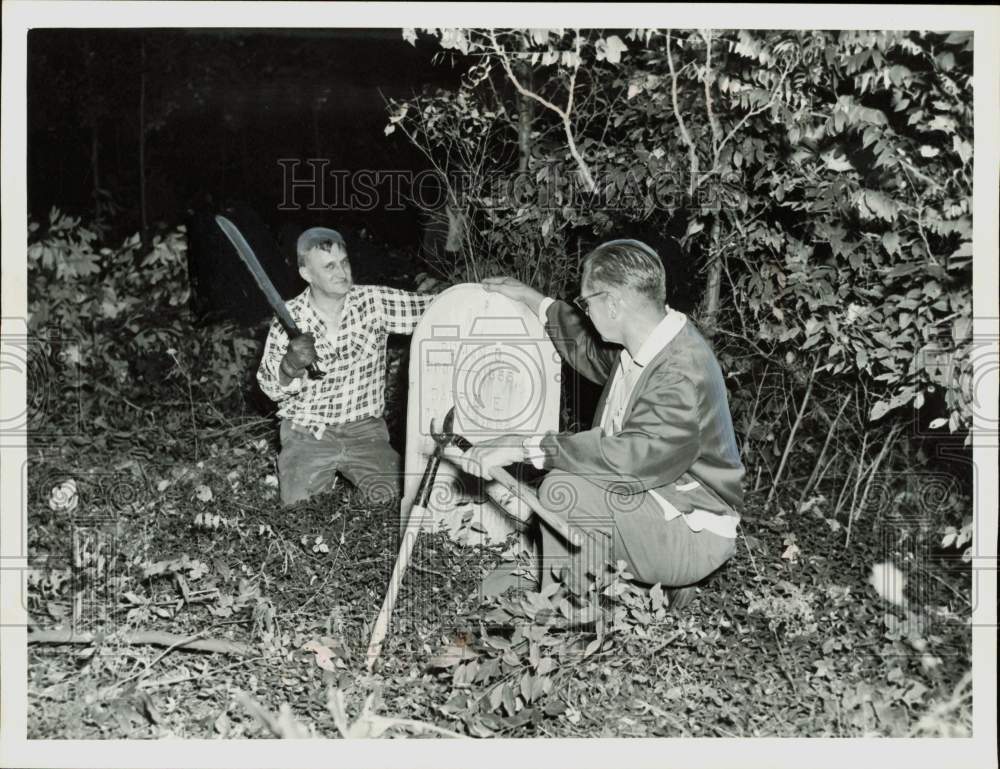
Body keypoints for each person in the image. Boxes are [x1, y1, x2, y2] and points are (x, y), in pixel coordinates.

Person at [454, 239, 744, 612]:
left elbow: (633, 460)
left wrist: (529, 445)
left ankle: (564, 621)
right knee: (567, 486)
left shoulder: (680, 373)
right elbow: (588, 348)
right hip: (659, 504)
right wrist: (533, 300)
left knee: (565, 489)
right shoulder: (647, 341)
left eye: (587, 302)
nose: (586, 312)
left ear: (613, 303)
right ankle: (628, 589)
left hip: (692, 530)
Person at [257, 227, 436, 506]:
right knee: (297, 512)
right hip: (307, 433)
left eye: (344, 262)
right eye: (329, 266)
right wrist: (290, 365)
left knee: (400, 503)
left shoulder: (374, 302)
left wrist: (482, 291)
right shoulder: (289, 317)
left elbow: (435, 309)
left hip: (366, 432)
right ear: (307, 274)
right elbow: (270, 389)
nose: (341, 272)